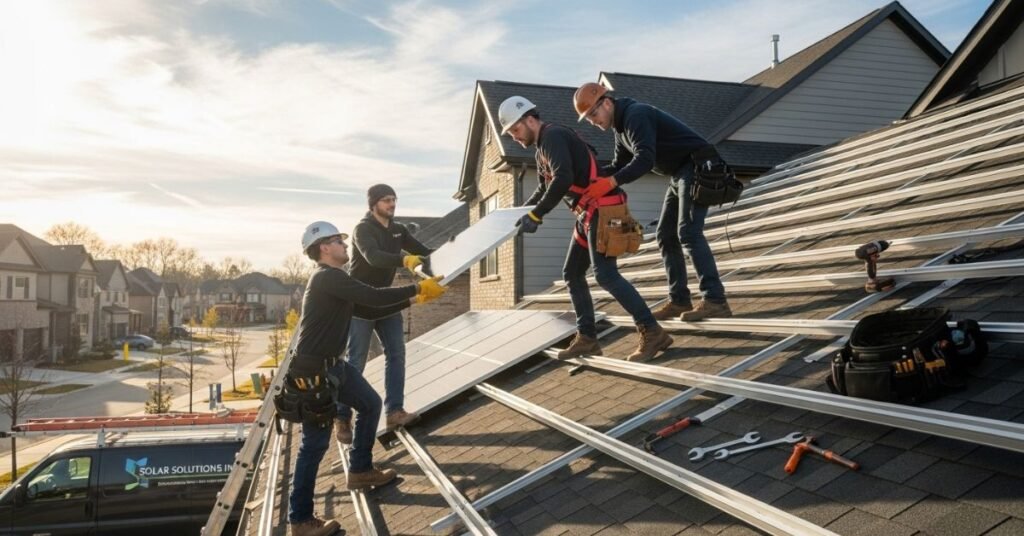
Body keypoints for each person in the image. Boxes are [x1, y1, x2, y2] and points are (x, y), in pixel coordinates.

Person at [286, 221, 445, 536]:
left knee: (371, 405)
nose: (346, 246)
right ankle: (300, 519)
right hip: (313, 372)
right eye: (338, 241)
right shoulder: (326, 278)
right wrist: (417, 288)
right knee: (314, 445)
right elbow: (372, 295)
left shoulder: (336, 280)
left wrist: (416, 299)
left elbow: (369, 306)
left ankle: (359, 469)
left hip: (334, 366)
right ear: (323, 248)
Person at [498, 95, 672, 362]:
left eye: (515, 130)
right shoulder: (542, 147)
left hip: (604, 208)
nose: (514, 137)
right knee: (572, 273)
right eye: (510, 133)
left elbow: (563, 178)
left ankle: (652, 331)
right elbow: (546, 187)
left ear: (530, 119)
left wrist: (538, 214)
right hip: (589, 213)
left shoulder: (553, 136)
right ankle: (588, 338)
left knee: (606, 275)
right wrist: (522, 213)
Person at [574, 82, 732, 321]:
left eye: (593, 114)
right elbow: (619, 165)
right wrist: (589, 177)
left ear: (607, 102)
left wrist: (610, 183)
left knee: (688, 232)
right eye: (587, 119)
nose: (593, 121)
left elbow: (645, 159)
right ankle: (679, 300)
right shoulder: (620, 128)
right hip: (679, 173)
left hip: (697, 166)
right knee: (665, 235)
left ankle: (715, 300)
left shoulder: (636, 115)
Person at [335, 184, 434, 444]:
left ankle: (394, 411)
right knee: (355, 361)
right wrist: (404, 260)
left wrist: (448, 257)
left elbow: (423, 251)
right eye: (386, 200)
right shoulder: (362, 229)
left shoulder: (398, 230)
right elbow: (374, 257)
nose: (391, 204)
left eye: (393, 199)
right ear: (373, 204)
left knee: (397, 354)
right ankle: (342, 416)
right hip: (360, 303)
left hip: (387, 302)